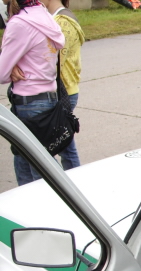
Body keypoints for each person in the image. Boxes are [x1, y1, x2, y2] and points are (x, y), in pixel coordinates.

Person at [0, 0, 65, 186]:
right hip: (47, 99)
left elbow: (1, 73)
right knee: (35, 164)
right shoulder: (43, 15)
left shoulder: (19, 24)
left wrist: (10, 67)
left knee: (39, 173)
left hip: (28, 103)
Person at [40, 0, 84, 171]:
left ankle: (73, 185)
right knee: (66, 144)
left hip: (63, 91)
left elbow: (55, 61)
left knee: (64, 147)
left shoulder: (62, 21)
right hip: (65, 89)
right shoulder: (58, 18)